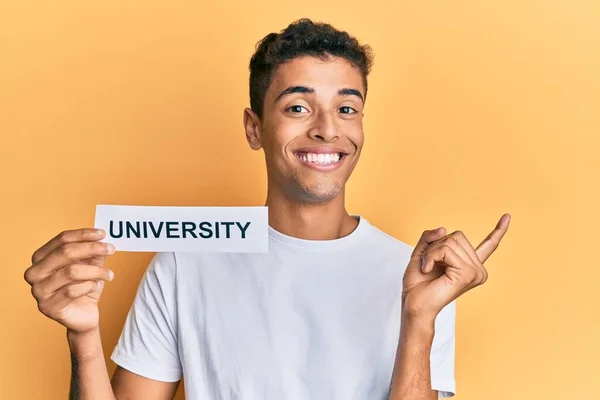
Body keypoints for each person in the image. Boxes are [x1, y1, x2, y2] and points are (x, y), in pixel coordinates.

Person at [24, 18, 510, 400]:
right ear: (254, 129)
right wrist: (83, 339)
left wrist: (420, 320)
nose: (327, 129)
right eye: (298, 107)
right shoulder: (183, 263)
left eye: (346, 108)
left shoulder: (420, 281)